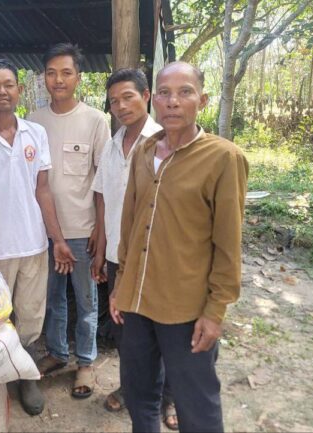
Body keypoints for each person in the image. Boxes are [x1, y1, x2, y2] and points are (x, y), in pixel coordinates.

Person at [109, 62, 248, 433]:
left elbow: (228, 244)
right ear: (154, 100)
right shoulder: (144, 152)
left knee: (196, 405)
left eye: (185, 92)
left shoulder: (223, 158)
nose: (173, 101)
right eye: (165, 93)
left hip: (185, 308)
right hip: (137, 301)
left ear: (202, 100)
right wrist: (121, 284)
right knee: (139, 394)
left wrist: (215, 311)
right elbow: (130, 225)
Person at [0, 59, 76, 416]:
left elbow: (43, 190)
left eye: (8, 84)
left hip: (34, 244)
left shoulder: (35, 134)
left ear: (19, 90)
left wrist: (57, 239)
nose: (2, 91)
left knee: (31, 315)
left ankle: (26, 375)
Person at [90, 67, 178, 430]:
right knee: (126, 332)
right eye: (114, 101)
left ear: (146, 96)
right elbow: (103, 200)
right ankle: (132, 388)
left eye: (128, 97)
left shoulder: (165, 142)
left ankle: (169, 398)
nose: (121, 106)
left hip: (154, 259)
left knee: (164, 334)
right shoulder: (112, 145)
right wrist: (100, 252)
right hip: (118, 259)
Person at [27, 43, 110, 399]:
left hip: (81, 231)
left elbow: (103, 182)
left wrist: (100, 231)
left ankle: (86, 362)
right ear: (43, 77)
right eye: (51, 73)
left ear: (78, 77)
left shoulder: (95, 120)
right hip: (42, 231)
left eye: (66, 73)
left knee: (87, 300)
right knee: (52, 298)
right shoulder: (32, 121)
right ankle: (58, 353)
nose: (58, 80)